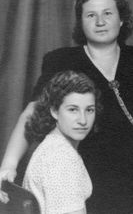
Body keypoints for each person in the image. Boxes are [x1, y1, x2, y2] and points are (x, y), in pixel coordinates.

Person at [0, 0, 133, 214]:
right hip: (85, 173)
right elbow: (31, 113)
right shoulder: (61, 60)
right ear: (81, 22)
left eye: (108, 13)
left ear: (122, 19)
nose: (100, 21)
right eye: (90, 15)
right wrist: (8, 165)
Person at [22, 71, 100, 214]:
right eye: (73, 110)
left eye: (89, 110)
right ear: (54, 111)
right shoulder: (61, 158)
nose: (83, 120)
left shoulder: (54, 145)